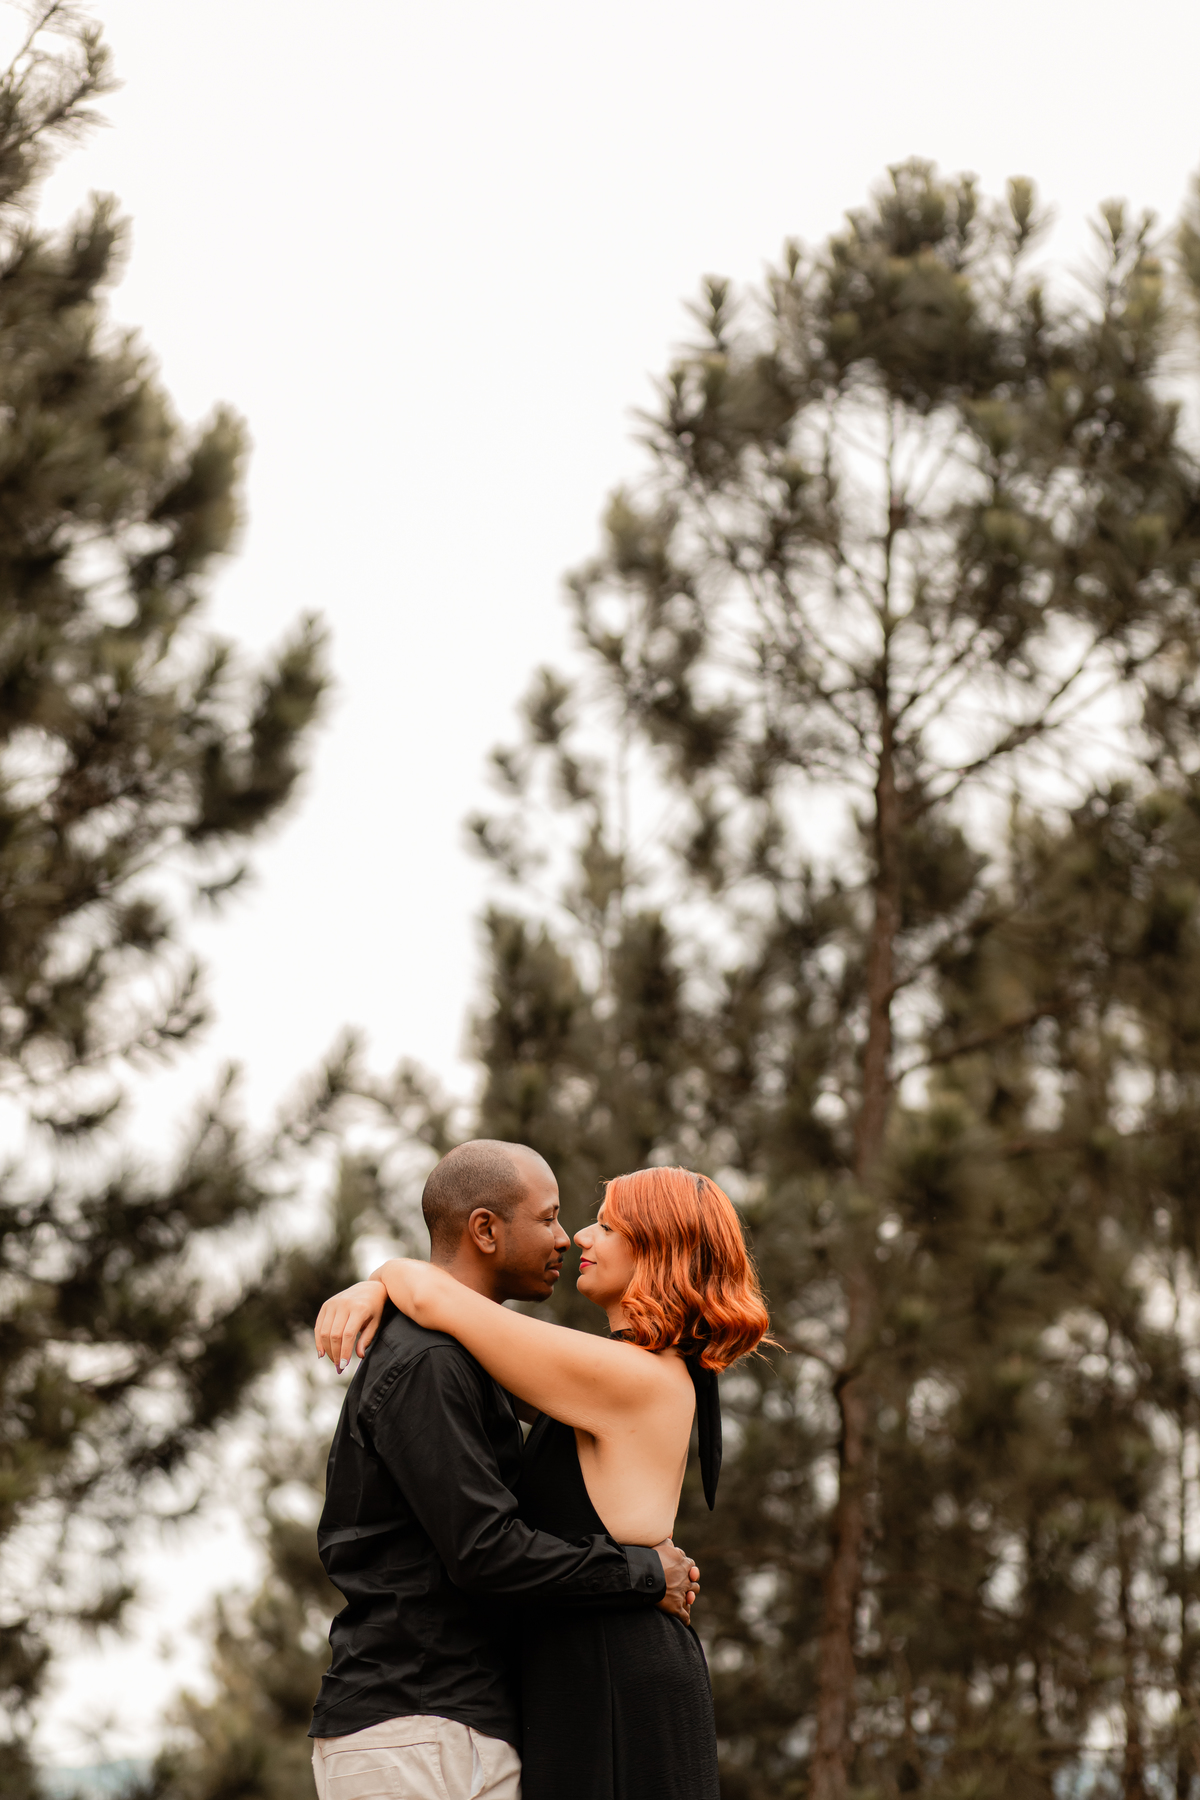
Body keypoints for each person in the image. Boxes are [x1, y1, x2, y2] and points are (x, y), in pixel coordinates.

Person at [317, 1161, 772, 1800]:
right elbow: (456, 1331)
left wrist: (379, 1280)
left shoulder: (632, 1378)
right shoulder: (606, 1379)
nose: (581, 1237)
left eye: (607, 1226)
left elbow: (436, 1299)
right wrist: (380, 1292)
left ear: (658, 1250)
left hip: (614, 1675)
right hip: (579, 1673)